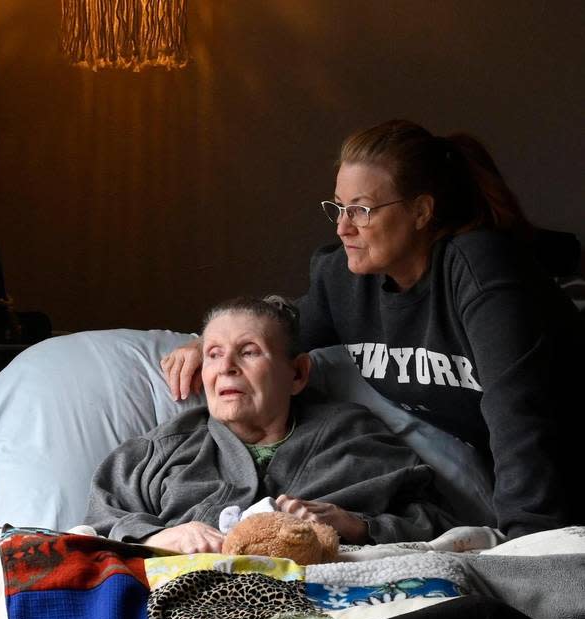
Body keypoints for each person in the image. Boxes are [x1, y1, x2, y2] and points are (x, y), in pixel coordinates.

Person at [160, 120, 585, 540]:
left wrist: (530, 547)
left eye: (361, 209)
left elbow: (521, 417)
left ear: (421, 210)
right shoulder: (344, 282)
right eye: (338, 208)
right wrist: (208, 345)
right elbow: (279, 330)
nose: (343, 227)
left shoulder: (479, 269)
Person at [86, 297, 461, 554]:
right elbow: (97, 524)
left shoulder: (350, 433)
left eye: (248, 351)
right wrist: (163, 535)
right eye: (214, 354)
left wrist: (355, 526)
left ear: (297, 374)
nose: (227, 366)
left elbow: (441, 525)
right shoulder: (165, 448)